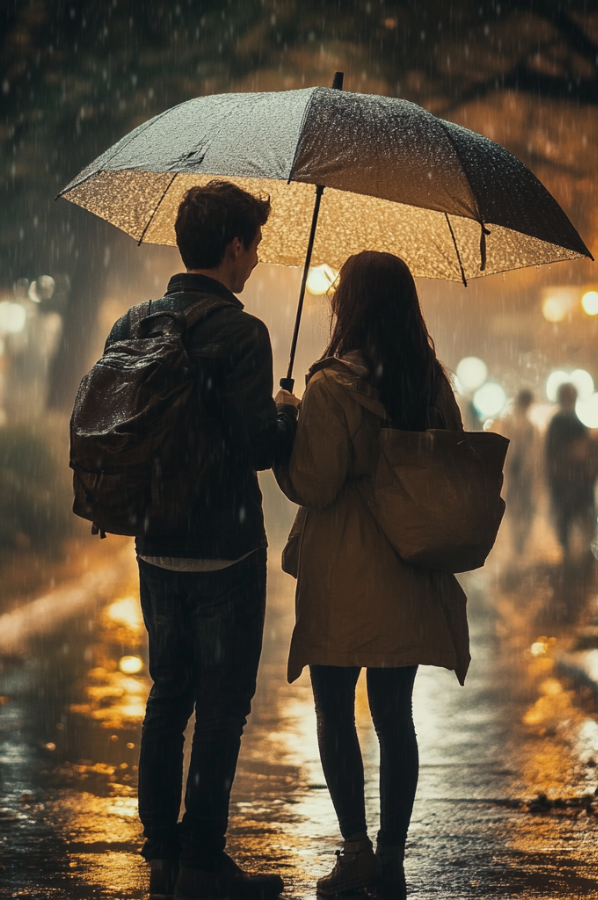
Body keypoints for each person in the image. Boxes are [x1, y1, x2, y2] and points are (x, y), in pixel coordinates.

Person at [105, 180, 299, 900]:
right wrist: (286, 416)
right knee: (221, 704)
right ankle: (203, 861)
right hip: (225, 549)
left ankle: (162, 855)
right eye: (252, 246)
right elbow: (254, 446)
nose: (255, 260)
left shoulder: (132, 323)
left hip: (154, 541)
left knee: (168, 695)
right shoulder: (242, 333)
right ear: (233, 248)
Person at [275, 251, 470, 900]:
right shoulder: (428, 381)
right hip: (407, 566)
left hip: (342, 573)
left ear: (348, 305)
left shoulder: (331, 386)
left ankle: (354, 849)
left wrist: (286, 425)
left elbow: (313, 482)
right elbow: (449, 458)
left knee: (335, 712)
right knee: (395, 716)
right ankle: (392, 861)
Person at [545, 381, 596, 555]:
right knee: (571, 514)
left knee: (573, 514)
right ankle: (574, 552)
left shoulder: (570, 420)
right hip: (569, 478)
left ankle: (577, 551)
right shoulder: (561, 420)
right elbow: (554, 451)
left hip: (574, 478)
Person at [500, 388, 539, 554]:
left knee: (521, 508)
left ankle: (519, 540)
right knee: (522, 508)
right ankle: (519, 541)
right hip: (519, 473)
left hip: (519, 473)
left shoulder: (520, 423)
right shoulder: (522, 424)